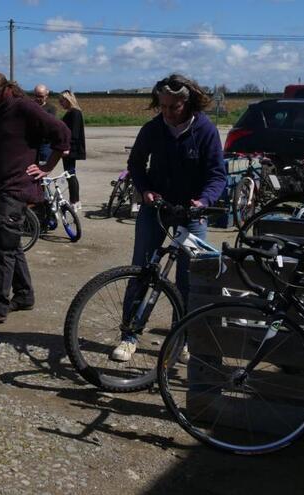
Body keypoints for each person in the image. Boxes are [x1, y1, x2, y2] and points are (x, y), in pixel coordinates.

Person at [111, 73, 226, 362]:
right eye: (162, 106)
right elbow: (136, 163)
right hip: (157, 209)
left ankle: (183, 336)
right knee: (142, 270)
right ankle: (130, 334)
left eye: (173, 107)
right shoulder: (152, 129)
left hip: (192, 213)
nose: (167, 113)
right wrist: (145, 189)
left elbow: (217, 175)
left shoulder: (206, 130)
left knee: (190, 278)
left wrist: (204, 200)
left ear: (187, 103)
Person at [0, 69, 71, 323]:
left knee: (1, 248)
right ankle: (23, 295)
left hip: (15, 187)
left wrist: (46, 168)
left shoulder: (23, 107)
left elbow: (62, 134)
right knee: (7, 243)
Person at [58, 90, 85, 211]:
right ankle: (74, 200)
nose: (60, 103)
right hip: (69, 148)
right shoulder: (71, 112)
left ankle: (75, 201)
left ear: (68, 100)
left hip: (71, 149)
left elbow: (74, 134)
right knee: (70, 174)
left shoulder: (75, 113)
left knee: (70, 174)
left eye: (61, 101)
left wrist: (68, 148)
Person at [32, 84, 57, 164]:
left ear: (46, 96)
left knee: (43, 166)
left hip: (45, 143)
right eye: (36, 96)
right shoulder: (29, 106)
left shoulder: (51, 108)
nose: (38, 98)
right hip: (31, 142)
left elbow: (49, 124)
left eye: (41, 96)